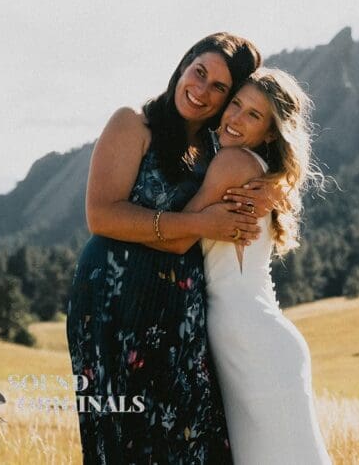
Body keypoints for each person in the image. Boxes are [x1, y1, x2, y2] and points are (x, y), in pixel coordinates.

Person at [66, 32, 278, 464]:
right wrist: (200, 223)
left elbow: (275, 162)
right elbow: (102, 216)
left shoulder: (221, 148)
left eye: (219, 88)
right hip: (114, 301)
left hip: (180, 307)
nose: (201, 91)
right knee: (122, 437)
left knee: (191, 434)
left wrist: (271, 190)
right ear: (184, 65)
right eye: (199, 73)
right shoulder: (133, 123)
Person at [162, 67, 331, 463]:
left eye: (252, 115)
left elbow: (179, 237)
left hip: (252, 342)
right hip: (253, 337)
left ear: (271, 133)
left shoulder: (234, 163)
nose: (235, 118)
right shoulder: (257, 170)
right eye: (235, 104)